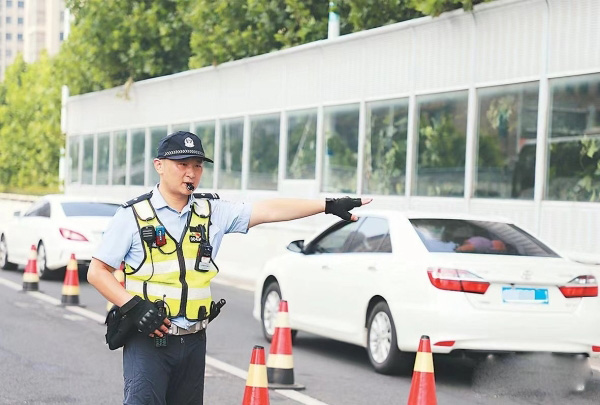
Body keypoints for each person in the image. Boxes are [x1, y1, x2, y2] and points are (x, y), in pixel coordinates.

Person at [87, 130, 371, 405]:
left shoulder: (213, 212)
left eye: (197, 166)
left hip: (193, 341)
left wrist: (327, 205)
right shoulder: (133, 215)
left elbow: (269, 210)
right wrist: (133, 306)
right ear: (159, 166)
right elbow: (97, 271)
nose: (191, 173)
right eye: (182, 164)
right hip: (148, 341)